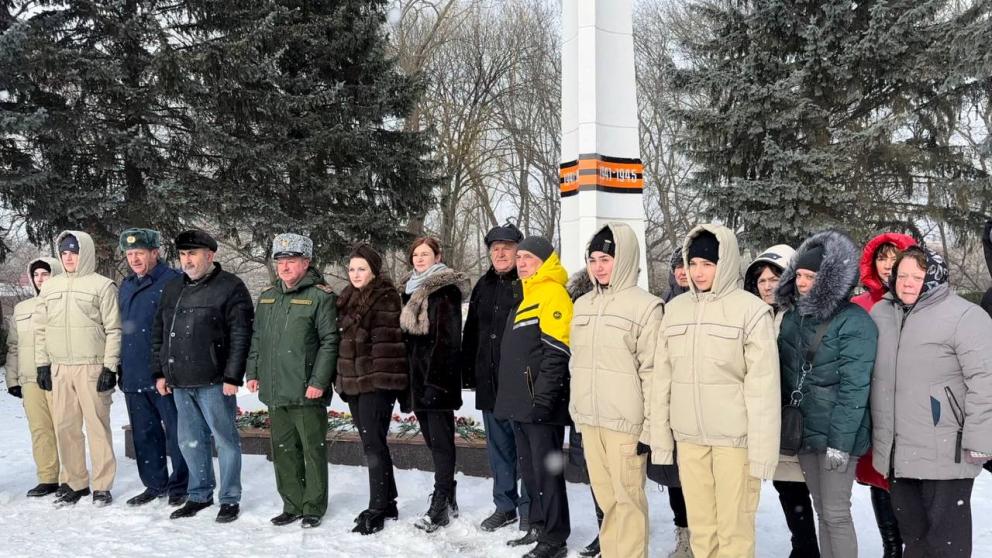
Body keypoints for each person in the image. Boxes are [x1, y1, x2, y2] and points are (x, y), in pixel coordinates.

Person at [649, 224, 780, 558]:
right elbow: (662, 379)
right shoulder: (675, 311)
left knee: (734, 531)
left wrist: (763, 454)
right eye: (693, 264)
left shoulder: (750, 311)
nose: (699, 271)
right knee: (702, 529)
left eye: (707, 264)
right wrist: (661, 440)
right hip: (689, 439)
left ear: (725, 263)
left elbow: (763, 388)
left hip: (734, 443)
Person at [871, 245, 992, 556]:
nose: (907, 282)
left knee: (946, 544)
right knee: (914, 541)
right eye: (902, 275)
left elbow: (986, 381)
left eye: (917, 276)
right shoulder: (881, 314)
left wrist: (981, 440)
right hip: (899, 452)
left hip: (947, 449)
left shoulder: (965, 315)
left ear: (934, 277)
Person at [776, 230, 876, 558]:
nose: (803, 283)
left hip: (837, 435)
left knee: (836, 512)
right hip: (804, 431)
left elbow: (854, 389)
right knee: (821, 509)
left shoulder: (855, 321)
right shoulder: (794, 317)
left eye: (811, 276)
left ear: (829, 280)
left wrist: (840, 446)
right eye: (799, 275)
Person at [569, 224, 661, 558]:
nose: (598, 266)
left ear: (622, 259)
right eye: (593, 259)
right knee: (607, 503)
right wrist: (577, 415)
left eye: (605, 258)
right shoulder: (583, 305)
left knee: (629, 504)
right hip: (591, 421)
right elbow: (577, 364)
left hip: (626, 424)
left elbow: (653, 371)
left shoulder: (646, 307)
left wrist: (650, 427)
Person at [151, 229, 254, 523]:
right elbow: (159, 332)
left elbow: (241, 335)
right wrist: (160, 372)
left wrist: (233, 376)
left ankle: (230, 498)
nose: (187, 260)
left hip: (215, 380)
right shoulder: (173, 288)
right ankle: (199, 494)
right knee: (190, 441)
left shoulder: (230, 287)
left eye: (193, 254)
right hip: (180, 381)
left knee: (225, 440)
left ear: (210, 255)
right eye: (183, 255)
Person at [246, 233, 339, 529]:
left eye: (291, 261)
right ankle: (292, 503)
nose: (284, 267)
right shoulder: (267, 297)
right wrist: (253, 371)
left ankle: (313, 505)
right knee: (283, 450)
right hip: (275, 388)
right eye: (280, 261)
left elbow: (329, 341)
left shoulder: (320, 297)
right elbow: (258, 337)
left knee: (311, 450)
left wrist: (319, 381)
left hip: (306, 389)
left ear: (306, 262)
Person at [494, 236, 573, 558]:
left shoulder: (552, 293)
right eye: (520, 257)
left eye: (530, 258)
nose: (522, 262)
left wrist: (543, 398)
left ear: (546, 262)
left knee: (547, 472)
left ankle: (555, 539)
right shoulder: (528, 294)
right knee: (530, 471)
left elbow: (557, 353)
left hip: (542, 404)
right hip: (522, 404)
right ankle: (538, 525)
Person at [34, 231, 122, 507]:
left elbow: (114, 329)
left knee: (97, 427)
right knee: (65, 428)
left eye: (73, 251)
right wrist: (42, 365)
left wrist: (109, 367)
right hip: (60, 368)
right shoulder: (50, 286)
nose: (68, 256)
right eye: (64, 252)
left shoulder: (102, 286)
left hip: (91, 366)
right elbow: (40, 329)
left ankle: (102, 485)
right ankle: (75, 482)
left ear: (85, 252)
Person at [744, 244, 820, 558]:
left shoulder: (802, 316)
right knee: (787, 489)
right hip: (770, 420)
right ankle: (802, 547)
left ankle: (806, 549)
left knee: (801, 491)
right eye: (761, 280)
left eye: (775, 278)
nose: (767, 285)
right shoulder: (757, 316)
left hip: (799, 419)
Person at [334, 243, 408, 535]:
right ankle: (387, 501)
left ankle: (378, 507)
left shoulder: (384, 297)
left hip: (376, 385)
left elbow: (386, 348)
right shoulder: (347, 298)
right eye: (351, 269)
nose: (355, 273)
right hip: (354, 384)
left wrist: (377, 386)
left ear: (374, 271)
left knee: (373, 445)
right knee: (373, 443)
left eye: (361, 268)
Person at [462, 221, 531, 532]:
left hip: (522, 384)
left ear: (519, 251)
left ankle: (531, 508)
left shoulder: (528, 282)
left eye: (507, 247)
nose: (501, 253)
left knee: (526, 450)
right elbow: (472, 331)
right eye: (495, 248)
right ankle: (505, 506)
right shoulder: (483, 286)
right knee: (499, 450)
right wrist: (468, 371)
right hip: (490, 383)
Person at [851, 232, 916, 557]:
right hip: (874, 407)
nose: (888, 265)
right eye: (882, 258)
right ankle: (891, 547)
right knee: (880, 478)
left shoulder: (919, 301)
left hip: (912, 407)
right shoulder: (860, 305)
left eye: (894, 257)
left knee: (910, 480)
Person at [398, 236, 467, 533]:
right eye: (416, 255)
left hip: (436, 380)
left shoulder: (444, 289)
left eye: (425, 254)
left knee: (441, 442)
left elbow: (449, 339)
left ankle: (439, 503)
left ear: (437, 256)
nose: (419, 259)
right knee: (431, 441)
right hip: (417, 379)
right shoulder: (409, 289)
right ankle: (448, 493)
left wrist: (435, 383)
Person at [117, 228, 189, 507]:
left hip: (163, 374)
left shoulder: (172, 281)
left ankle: (181, 484)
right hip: (134, 372)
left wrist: (169, 369)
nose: (134, 258)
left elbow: (178, 329)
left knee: (176, 431)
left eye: (140, 253)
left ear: (155, 253)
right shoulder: (126, 285)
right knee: (145, 434)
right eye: (130, 253)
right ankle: (154, 483)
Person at [6, 257, 63, 498]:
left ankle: (70, 478)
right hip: (30, 378)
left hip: (59, 376)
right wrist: (13, 379)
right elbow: (14, 346)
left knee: (64, 428)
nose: (40, 279)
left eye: (45, 274)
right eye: (37, 274)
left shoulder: (63, 304)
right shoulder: (22, 309)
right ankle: (48, 477)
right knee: (40, 429)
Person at [651, 244, 693, 558]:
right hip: (667, 401)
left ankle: (705, 535)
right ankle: (684, 534)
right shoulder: (661, 305)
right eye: (677, 265)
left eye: (687, 265)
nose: (682, 271)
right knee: (674, 476)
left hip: (697, 400)